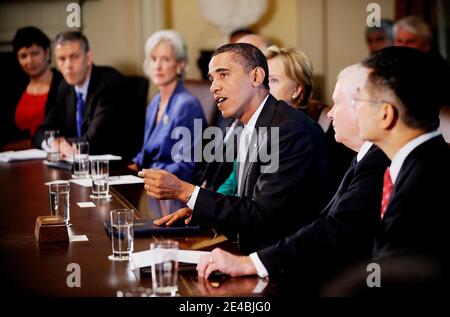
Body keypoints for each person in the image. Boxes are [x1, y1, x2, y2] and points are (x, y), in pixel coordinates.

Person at [195, 65, 390, 293]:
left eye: (337, 103)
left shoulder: (375, 160)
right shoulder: (361, 157)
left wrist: (251, 263)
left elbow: (336, 231)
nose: (330, 112)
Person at [140, 43, 329, 253]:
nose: (213, 87)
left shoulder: (290, 129)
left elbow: (261, 215)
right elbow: (244, 199)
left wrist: (186, 191)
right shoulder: (251, 123)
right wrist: (201, 209)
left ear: (256, 77)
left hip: (279, 261)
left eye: (223, 74)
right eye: (212, 78)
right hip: (248, 245)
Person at [355, 47, 450, 267]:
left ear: (386, 114)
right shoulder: (420, 162)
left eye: (358, 100)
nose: (355, 110)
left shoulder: (425, 183)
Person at [264, 45, 354, 196]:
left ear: (297, 90)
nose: (264, 87)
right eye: (262, 79)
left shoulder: (325, 129)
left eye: (273, 80)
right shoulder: (257, 121)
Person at [33, 31, 130, 158]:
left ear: (88, 58)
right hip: (79, 166)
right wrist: (53, 142)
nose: (68, 65)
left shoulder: (110, 84)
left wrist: (63, 143)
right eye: (62, 59)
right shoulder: (64, 87)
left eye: (74, 57)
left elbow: (93, 141)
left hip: (115, 168)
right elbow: (40, 132)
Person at [128, 30, 206, 182]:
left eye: (165, 59)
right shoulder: (155, 101)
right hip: (149, 179)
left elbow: (186, 165)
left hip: (172, 186)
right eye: (153, 59)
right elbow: (146, 152)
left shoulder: (187, 105)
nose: (157, 66)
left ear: (180, 65)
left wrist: (148, 174)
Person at [1, 26, 62, 150]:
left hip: (53, 152)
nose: (29, 61)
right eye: (23, 56)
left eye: (35, 53)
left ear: (47, 52)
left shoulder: (63, 84)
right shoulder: (12, 87)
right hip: (16, 154)